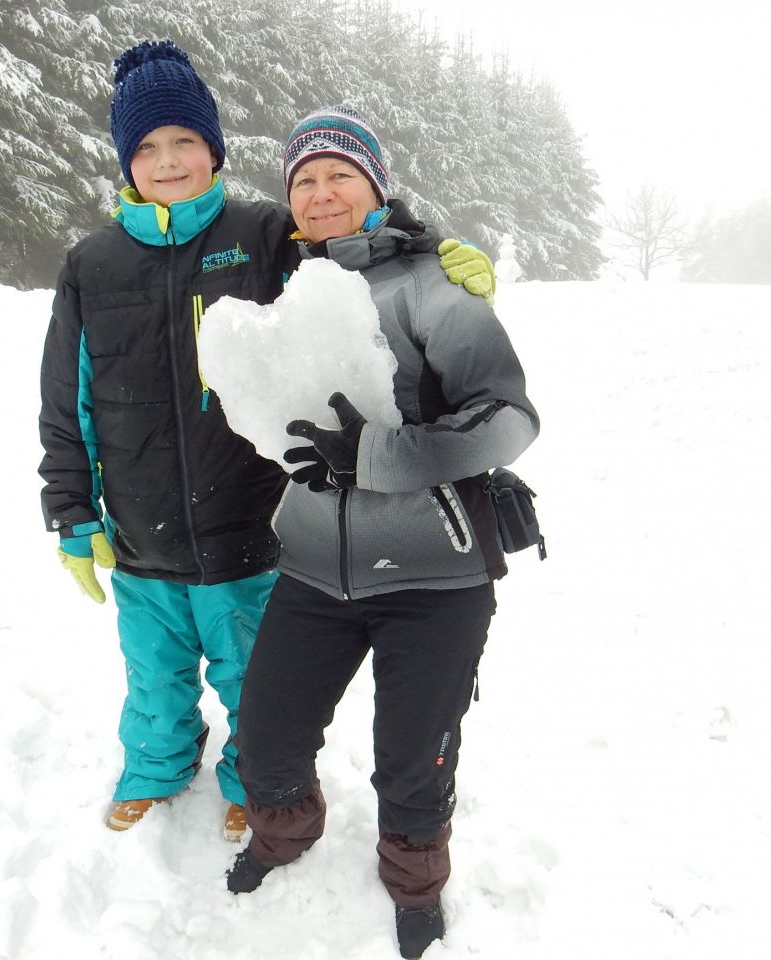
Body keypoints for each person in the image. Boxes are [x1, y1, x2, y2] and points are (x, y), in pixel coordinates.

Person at [38, 44, 498, 843]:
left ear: (214, 149)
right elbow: (64, 398)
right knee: (152, 670)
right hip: (138, 522)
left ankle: (248, 777)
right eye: (147, 147)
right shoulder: (93, 264)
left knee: (251, 673)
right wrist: (71, 509)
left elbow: (352, 242)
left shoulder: (262, 232)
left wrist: (432, 256)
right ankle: (155, 763)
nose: (168, 161)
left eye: (185, 140)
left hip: (246, 520)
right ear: (126, 161)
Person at [226, 106, 539, 959]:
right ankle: (284, 836)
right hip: (313, 570)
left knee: (413, 759)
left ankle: (414, 882)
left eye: (341, 174)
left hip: (435, 578)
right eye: (305, 179)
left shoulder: (435, 285)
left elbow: (509, 418)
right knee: (267, 737)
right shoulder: (288, 288)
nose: (322, 192)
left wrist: (376, 454)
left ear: (376, 187)